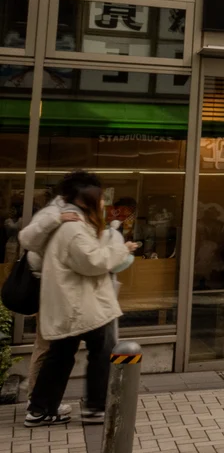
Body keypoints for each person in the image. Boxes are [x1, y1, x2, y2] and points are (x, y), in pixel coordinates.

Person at [25, 178, 136, 427]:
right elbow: (92, 262)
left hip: (72, 302)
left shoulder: (70, 222)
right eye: (100, 198)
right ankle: (95, 408)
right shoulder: (72, 227)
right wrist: (122, 249)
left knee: (61, 355)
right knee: (102, 350)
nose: (104, 202)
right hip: (82, 303)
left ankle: (41, 409)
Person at [17, 171, 94, 415]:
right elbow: (26, 238)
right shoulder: (55, 211)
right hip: (50, 288)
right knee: (48, 345)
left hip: (64, 289)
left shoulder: (78, 212)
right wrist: (58, 219)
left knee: (54, 346)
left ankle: (42, 403)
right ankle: (37, 403)